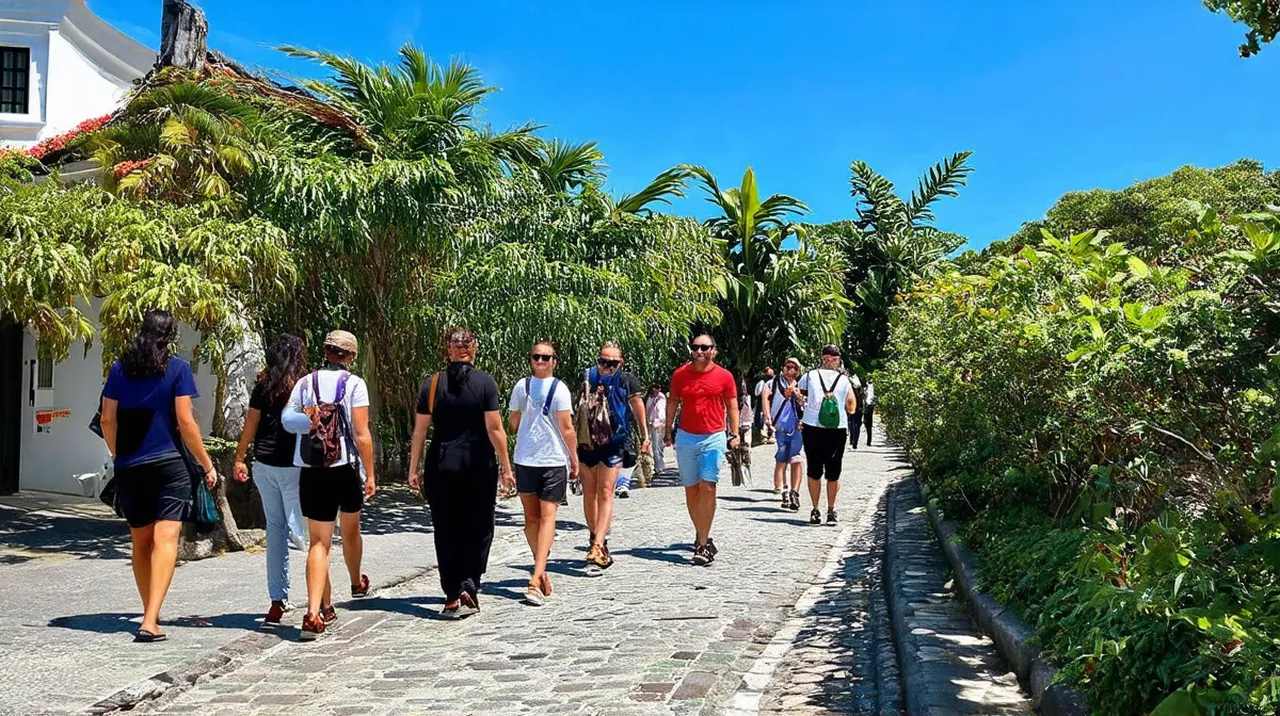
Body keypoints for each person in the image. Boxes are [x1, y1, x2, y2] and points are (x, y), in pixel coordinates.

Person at [98, 309, 217, 643]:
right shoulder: (177, 369)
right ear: (171, 336)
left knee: (140, 541)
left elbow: (107, 419)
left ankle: (150, 609)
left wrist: (116, 453)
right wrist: (206, 464)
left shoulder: (120, 369)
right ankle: (150, 619)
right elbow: (186, 421)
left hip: (130, 466)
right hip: (169, 464)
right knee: (166, 540)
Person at [408, 328, 515, 617]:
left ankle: (451, 594)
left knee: (446, 529)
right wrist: (507, 467)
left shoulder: (431, 384)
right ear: (474, 349)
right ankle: (469, 583)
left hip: (440, 466)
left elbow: (419, 432)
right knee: (479, 527)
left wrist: (412, 468)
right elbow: (495, 429)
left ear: (449, 350)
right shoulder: (485, 384)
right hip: (478, 465)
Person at [281, 330, 376, 640]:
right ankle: (355, 580)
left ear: (325, 352)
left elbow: (287, 420)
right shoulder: (355, 385)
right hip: (344, 468)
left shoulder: (304, 383)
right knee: (350, 530)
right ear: (350, 356)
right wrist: (371, 475)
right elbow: (362, 434)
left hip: (312, 468)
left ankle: (313, 613)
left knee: (318, 543)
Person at [232, 333, 309, 629]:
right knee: (308, 533)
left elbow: (250, 425)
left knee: (275, 530)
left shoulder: (262, 386)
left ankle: (277, 600)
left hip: (264, 464)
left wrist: (240, 458)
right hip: (295, 466)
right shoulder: (303, 384)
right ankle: (320, 600)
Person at [506, 340, 576, 606]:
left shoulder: (560, 389)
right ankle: (541, 566)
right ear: (531, 359)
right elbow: (513, 422)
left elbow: (566, 427)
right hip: (525, 459)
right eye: (536, 357)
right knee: (530, 520)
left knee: (548, 516)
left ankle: (535, 577)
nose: (541, 361)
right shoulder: (520, 386)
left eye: (546, 357)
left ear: (554, 361)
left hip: (553, 459)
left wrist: (573, 458)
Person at [665, 334, 738, 566]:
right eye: (695, 347)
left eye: (704, 347)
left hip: (713, 436)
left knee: (708, 485)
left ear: (713, 351)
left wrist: (734, 434)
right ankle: (701, 532)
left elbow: (732, 405)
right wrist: (668, 430)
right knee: (691, 490)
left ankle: (704, 544)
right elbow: (673, 402)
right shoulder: (680, 375)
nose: (699, 351)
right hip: (686, 436)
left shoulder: (724, 376)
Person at [576, 342, 647, 572]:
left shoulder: (627, 380)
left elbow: (637, 406)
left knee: (605, 491)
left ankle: (597, 544)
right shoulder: (588, 376)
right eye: (603, 361)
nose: (607, 366)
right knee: (589, 493)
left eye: (612, 363)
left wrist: (645, 434)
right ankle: (596, 539)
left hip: (615, 441)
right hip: (588, 441)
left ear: (621, 363)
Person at [798, 345, 857, 526]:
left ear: (822, 358)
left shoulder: (809, 376)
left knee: (814, 469)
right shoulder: (844, 380)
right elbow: (851, 406)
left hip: (812, 427)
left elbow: (800, 395)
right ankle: (831, 510)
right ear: (837, 359)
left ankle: (815, 510)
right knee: (833, 471)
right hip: (836, 428)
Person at [762, 357, 805, 511]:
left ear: (798, 370)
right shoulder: (773, 382)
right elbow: (765, 396)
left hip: (798, 427)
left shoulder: (802, 384)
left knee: (796, 458)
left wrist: (797, 394)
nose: (790, 370)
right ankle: (785, 489)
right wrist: (767, 417)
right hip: (780, 427)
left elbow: (807, 402)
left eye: (794, 367)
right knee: (784, 457)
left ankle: (795, 492)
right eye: (788, 366)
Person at [645, 385, 667, 471]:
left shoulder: (661, 398)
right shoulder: (650, 399)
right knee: (655, 446)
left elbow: (662, 410)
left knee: (660, 445)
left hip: (661, 424)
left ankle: (660, 464)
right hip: (653, 424)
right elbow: (648, 411)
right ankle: (659, 467)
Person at [753, 367, 776, 444]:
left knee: (764, 419)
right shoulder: (766, 382)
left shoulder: (762, 381)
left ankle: (767, 436)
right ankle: (766, 437)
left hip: (764, 404)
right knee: (764, 419)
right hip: (764, 404)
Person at [862, 380, 876, 446]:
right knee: (868, 424)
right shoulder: (871, 386)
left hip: (868, 406)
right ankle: (869, 440)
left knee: (867, 423)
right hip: (870, 406)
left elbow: (869, 398)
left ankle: (869, 441)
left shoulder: (870, 387)